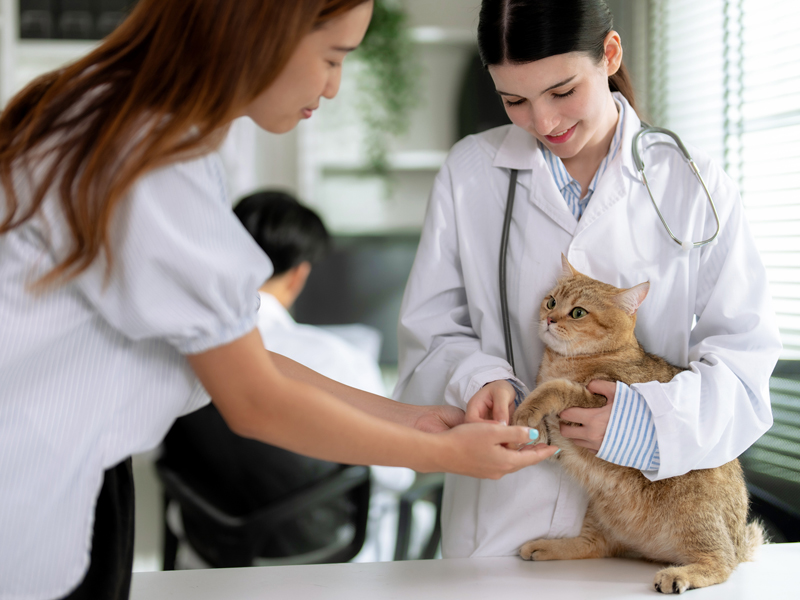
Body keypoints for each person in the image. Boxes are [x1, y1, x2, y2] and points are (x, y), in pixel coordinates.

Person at [0, 2, 558, 599]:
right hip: (35, 492)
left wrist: (415, 420)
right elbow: (253, 400)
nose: (335, 86)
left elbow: (249, 359)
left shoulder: (109, 110)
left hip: (61, 482)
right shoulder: (145, 154)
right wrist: (438, 454)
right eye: (332, 56)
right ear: (261, 28)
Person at [394, 0, 782, 559]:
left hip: (650, 527)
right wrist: (478, 379)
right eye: (514, 101)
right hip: (501, 524)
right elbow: (430, 331)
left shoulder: (693, 181)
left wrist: (640, 426)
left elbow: (744, 363)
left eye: (562, 91)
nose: (544, 123)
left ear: (610, 54)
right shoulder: (469, 171)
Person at [160, 190, 386, 565]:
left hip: (206, 553)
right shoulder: (340, 359)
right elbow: (391, 475)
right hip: (326, 558)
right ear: (299, 274)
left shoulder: (179, 349)